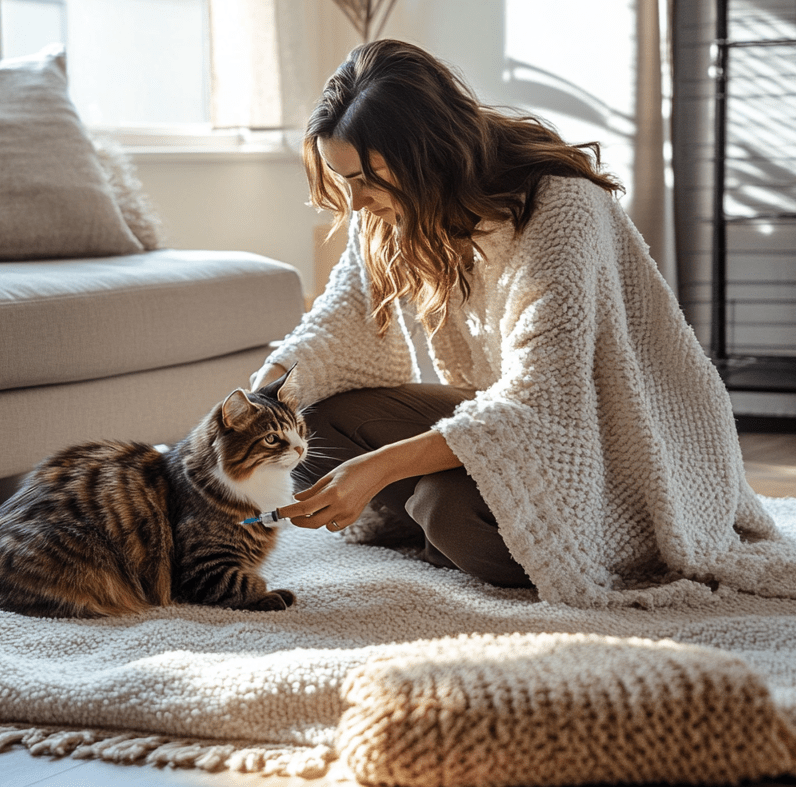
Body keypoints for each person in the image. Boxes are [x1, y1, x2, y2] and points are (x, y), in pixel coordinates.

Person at [250, 40, 795, 608]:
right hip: (502, 420)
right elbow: (341, 322)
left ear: (425, 153)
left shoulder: (560, 206)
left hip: (603, 442)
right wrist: (254, 401)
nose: (356, 201)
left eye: (368, 178)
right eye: (344, 180)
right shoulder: (394, 210)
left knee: (449, 513)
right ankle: (441, 501)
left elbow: (546, 399)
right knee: (308, 423)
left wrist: (380, 467)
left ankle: (443, 510)